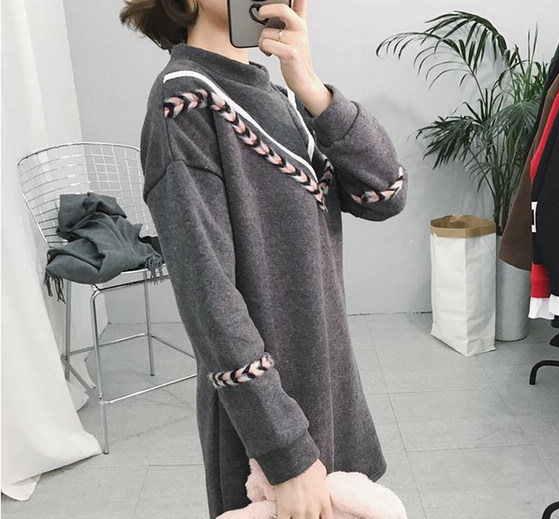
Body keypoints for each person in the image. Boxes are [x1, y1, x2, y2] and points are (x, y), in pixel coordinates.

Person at [119, 1, 408, 517]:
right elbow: (209, 299)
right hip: (269, 420)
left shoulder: (278, 94)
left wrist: (311, 85)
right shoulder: (184, 100)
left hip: (328, 385)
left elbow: (386, 193)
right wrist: (285, 450)